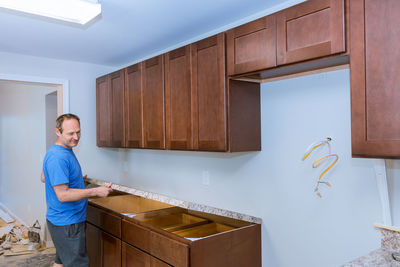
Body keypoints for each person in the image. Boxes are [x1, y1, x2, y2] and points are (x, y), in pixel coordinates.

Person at [42, 113, 113, 267]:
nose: (76, 137)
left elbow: (44, 176)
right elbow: (62, 195)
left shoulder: (59, 150)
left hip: (61, 222)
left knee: (60, 262)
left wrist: (77, 182)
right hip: (68, 224)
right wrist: (96, 191)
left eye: (78, 132)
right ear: (58, 132)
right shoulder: (58, 157)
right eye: (70, 133)